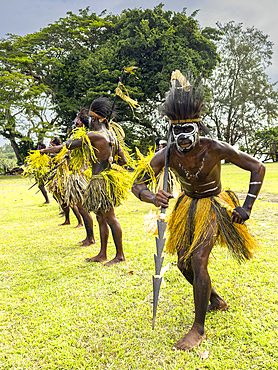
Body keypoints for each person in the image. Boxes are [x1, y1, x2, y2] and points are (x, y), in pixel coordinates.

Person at [132, 70, 265, 351]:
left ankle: (198, 328)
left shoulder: (215, 148)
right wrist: (151, 196)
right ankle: (214, 299)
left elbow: (258, 167)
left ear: (198, 128)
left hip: (212, 207)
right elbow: (137, 183)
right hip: (187, 207)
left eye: (186, 131)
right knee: (182, 264)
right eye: (176, 131)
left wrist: (247, 206)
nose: (181, 137)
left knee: (198, 262)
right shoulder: (167, 153)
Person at [42, 98, 129, 266]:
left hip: (99, 182)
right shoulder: (112, 136)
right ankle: (102, 253)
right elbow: (123, 161)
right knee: (101, 218)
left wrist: (46, 150)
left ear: (94, 118)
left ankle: (120, 256)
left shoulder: (93, 135)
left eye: (89, 118)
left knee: (110, 218)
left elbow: (68, 146)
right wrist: (107, 160)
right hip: (105, 180)